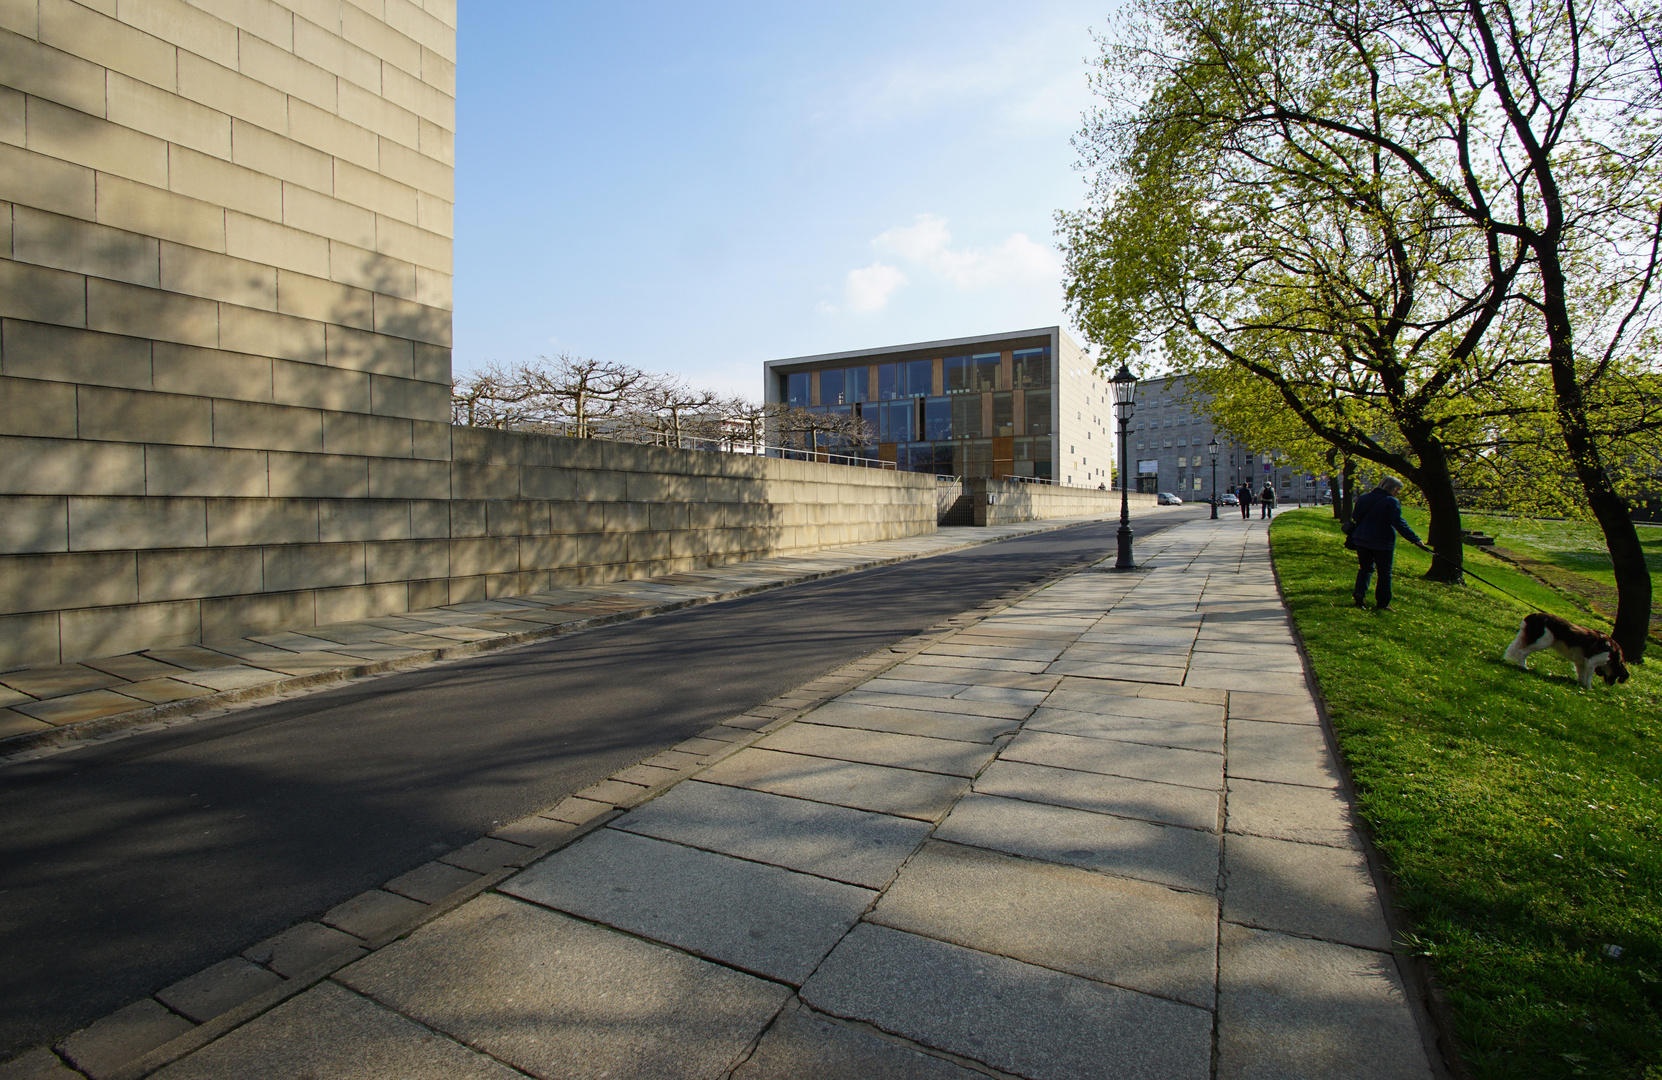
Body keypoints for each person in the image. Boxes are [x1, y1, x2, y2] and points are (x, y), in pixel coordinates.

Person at [1349, 476, 1428, 612]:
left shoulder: (1364, 498)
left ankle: (1360, 592)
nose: (1398, 493)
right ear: (1392, 488)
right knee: (1385, 573)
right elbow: (1398, 523)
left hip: (1361, 539)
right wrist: (1415, 539)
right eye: (1398, 490)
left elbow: (1355, 516)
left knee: (1365, 568)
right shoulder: (1391, 502)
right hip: (1382, 541)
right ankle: (1383, 603)